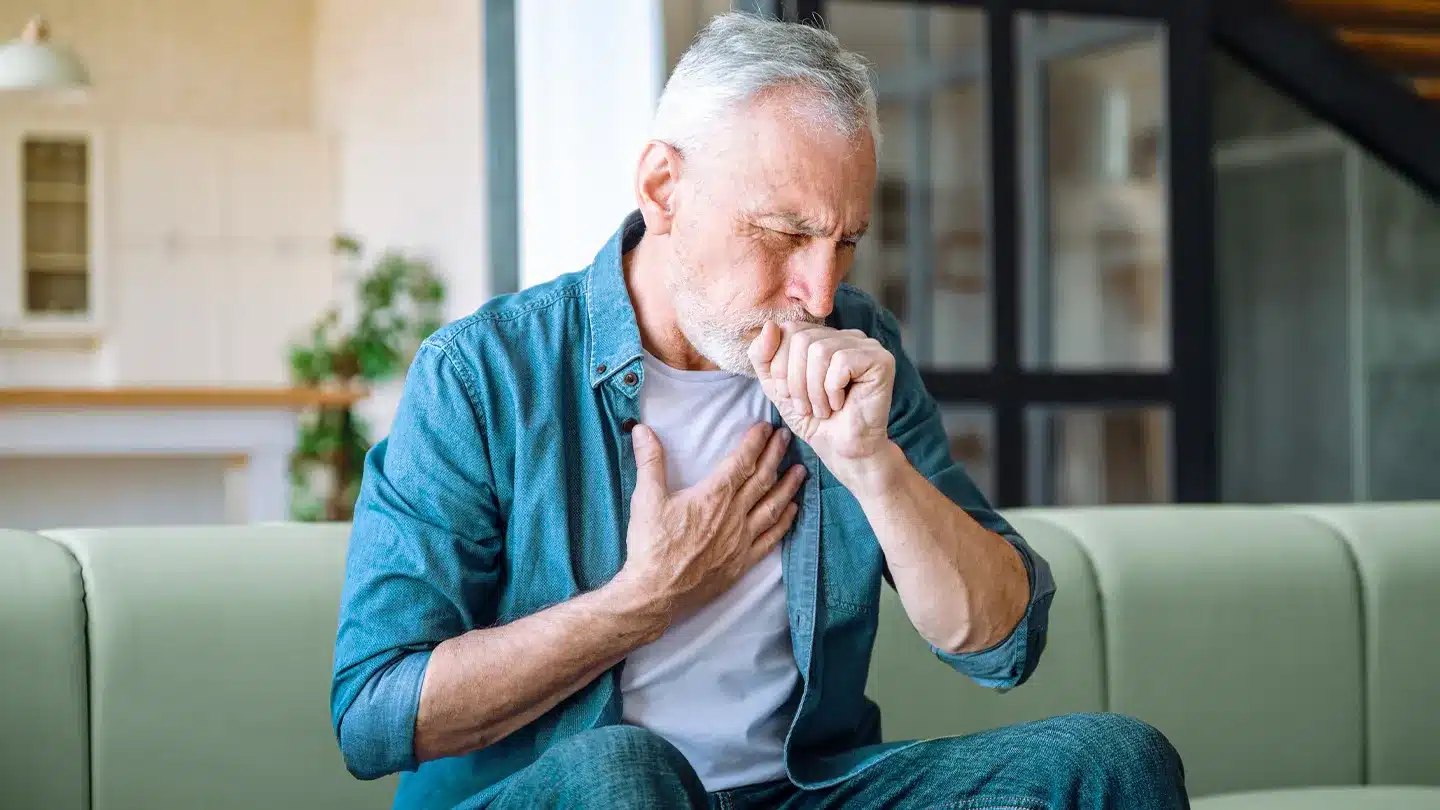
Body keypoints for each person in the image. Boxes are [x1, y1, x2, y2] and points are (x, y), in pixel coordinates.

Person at [331, 12, 1188, 810]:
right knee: (623, 771)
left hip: (795, 791)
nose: (819, 290)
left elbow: (1003, 643)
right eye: (783, 234)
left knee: (1114, 763)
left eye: (845, 241)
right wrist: (642, 600)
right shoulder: (483, 372)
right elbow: (375, 715)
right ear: (663, 187)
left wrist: (873, 468)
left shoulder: (856, 345)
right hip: (582, 793)